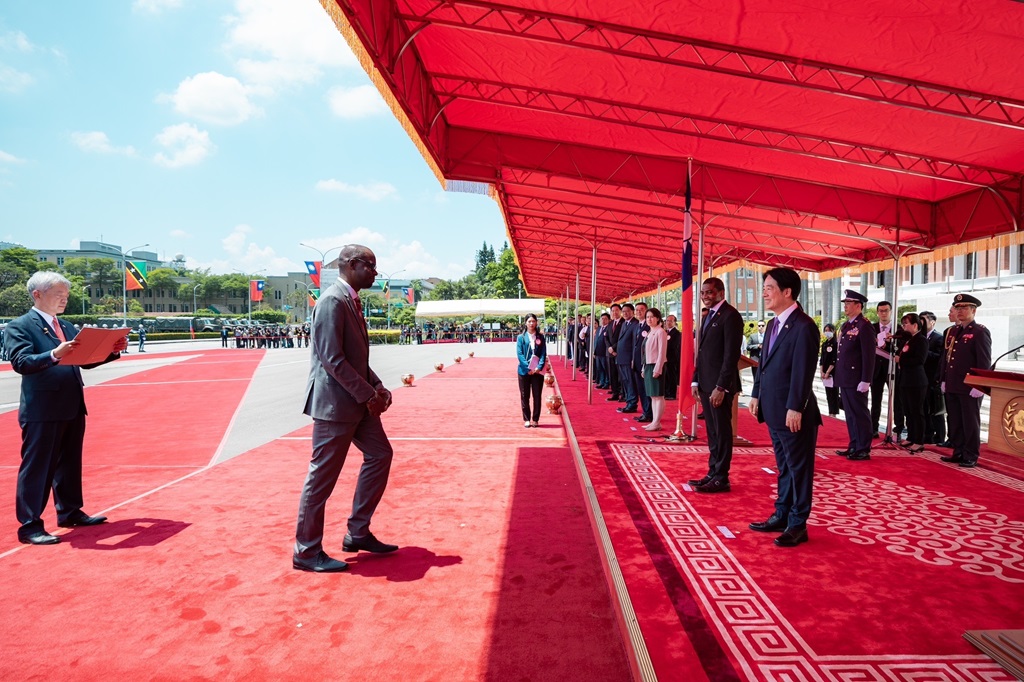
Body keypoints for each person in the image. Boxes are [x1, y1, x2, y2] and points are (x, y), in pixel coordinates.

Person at [294, 245, 397, 574]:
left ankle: (358, 532)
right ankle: (306, 551)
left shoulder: (350, 300)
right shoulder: (332, 301)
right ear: (352, 264)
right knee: (321, 480)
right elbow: (332, 359)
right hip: (335, 405)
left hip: (356, 402)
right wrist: (368, 395)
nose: (375, 273)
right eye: (371, 266)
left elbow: (356, 358)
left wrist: (377, 385)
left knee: (380, 455)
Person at [5, 272, 128, 545]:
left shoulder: (67, 326)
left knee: (70, 463)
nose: (64, 299)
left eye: (66, 295)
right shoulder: (19, 326)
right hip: (42, 409)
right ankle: (29, 526)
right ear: (37, 294)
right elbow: (21, 362)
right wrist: (53, 354)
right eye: (59, 294)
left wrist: (111, 350)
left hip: (72, 404)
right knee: (37, 468)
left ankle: (70, 512)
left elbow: (84, 360)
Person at [747, 268, 821, 547]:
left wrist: (795, 407)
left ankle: (798, 523)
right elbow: (763, 366)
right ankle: (782, 514)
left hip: (793, 413)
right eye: (764, 287)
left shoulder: (804, 326)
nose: (764, 293)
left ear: (787, 292)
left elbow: (803, 372)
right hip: (773, 409)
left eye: (769, 288)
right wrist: (756, 394)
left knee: (799, 469)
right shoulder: (773, 324)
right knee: (784, 467)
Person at [687, 278, 743, 493]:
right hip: (705, 383)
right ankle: (712, 472)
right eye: (703, 293)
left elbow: (731, 356)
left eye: (709, 292)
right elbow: (701, 353)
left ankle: (721, 477)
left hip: (719, 386)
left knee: (722, 431)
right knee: (712, 432)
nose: (705, 296)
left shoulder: (731, 316)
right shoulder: (708, 315)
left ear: (721, 292)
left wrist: (721, 387)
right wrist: (696, 379)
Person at [939, 294, 991, 468]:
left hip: (969, 386)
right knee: (955, 421)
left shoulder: (979, 331)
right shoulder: (954, 331)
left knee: (970, 422)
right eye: (958, 307)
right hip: (953, 383)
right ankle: (958, 451)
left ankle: (970, 454)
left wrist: (980, 384)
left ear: (973, 311)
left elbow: (984, 361)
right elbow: (947, 358)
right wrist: (944, 379)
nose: (960, 311)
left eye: (964, 308)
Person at [834, 290, 876, 461]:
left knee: (859, 413)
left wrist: (866, 379)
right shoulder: (847, 325)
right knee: (850, 414)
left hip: (857, 378)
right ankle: (854, 444)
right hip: (845, 377)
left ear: (858, 305)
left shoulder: (864, 326)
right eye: (845, 303)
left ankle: (863, 447)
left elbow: (869, 356)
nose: (845, 306)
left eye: (849, 303)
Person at [894, 313, 928, 452]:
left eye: (906, 324)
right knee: (908, 410)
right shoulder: (908, 340)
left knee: (916, 411)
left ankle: (919, 440)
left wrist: (900, 360)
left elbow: (920, 360)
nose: (904, 327)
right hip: (905, 379)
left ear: (915, 325)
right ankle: (911, 436)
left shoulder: (921, 340)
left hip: (916, 381)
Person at [516, 313, 548, 428]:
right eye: (529, 321)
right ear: (525, 323)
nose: (531, 323)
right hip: (524, 371)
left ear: (536, 322)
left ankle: (535, 419)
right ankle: (526, 419)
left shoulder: (540, 337)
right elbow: (519, 354)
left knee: (537, 395)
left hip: (537, 372)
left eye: (533, 321)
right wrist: (528, 368)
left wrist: (539, 367)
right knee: (525, 395)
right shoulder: (521, 337)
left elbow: (543, 353)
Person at [919, 311, 945, 444]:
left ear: (932, 322)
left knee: (935, 409)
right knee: (923, 408)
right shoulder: (919, 337)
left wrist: (924, 351)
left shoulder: (938, 338)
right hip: (921, 378)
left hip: (932, 378)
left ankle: (940, 437)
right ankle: (927, 434)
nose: (921, 323)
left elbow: (939, 357)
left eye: (924, 320)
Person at [642, 307, 668, 430]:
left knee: (658, 396)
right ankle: (654, 421)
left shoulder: (660, 332)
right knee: (653, 396)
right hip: (648, 365)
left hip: (656, 365)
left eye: (652, 317)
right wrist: (643, 368)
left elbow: (662, 353)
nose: (649, 319)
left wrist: (658, 368)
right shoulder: (650, 332)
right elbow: (645, 353)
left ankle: (657, 422)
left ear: (658, 318)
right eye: (647, 317)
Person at [871, 301, 894, 438]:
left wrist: (892, 342)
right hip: (876, 369)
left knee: (896, 401)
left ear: (891, 311)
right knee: (876, 400)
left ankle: (897, 428)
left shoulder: (897, 328)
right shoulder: (872, 328)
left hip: (892, 369)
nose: (883, 313)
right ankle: (873, 427)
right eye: (881, 311)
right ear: (877, 312)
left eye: (886, 310)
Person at [615, 304, 639, 414]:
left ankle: (632, 404)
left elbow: (635, 344)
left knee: (630, 382)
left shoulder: (635, 324)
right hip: (621, 358)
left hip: (629, 359)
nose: (625, 313)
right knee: (625, 381)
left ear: (632, 312)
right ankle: (628, 402)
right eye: (623, 311)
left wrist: (633, 359)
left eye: (627, 311)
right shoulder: (624, 323)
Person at [632, 301, 652, 423]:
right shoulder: (637, 326)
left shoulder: (649, 326)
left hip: (646, 363)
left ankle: (649, 413)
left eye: (641, 309)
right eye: (637, 310)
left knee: (646, 390)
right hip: (637, 362)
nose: (639, 312)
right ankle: (645, 412)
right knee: (641, 389)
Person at [819, 324, 840, 417]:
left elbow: (834, 359)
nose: (827, 332)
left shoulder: (835, 344)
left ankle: (833, 413)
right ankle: (830, 411)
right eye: (826, 330)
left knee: (834, 393)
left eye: (829, 330)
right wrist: (822, 371)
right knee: (828, 394)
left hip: (833, 372)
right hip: (825, 372)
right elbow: (822, 359)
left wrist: (828, 372)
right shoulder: (824, 344)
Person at [605, 304, 624, 402]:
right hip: (610, 353)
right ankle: (615, 393)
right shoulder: (610, 323)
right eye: (612, 311)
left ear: (620, 311)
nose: (614, 312)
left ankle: (623, 393)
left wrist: (614, 348)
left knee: (621, 375)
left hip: (619, 352)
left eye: (616, 310)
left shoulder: (623, 323)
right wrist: (609, 348)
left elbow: (622, 338)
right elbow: (606, 337)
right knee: (612, 374)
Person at [664, 314, 681, 400]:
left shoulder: (677, 333)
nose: (668, 322)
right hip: (665, 358)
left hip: (672, 358)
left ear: (675, 322)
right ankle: (666, 392)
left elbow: (674, 346)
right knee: (666, 376)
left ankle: (672, 393)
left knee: (672, 376)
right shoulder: (664, 332)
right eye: (667, 321)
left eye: (671, 321)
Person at [593, 312, 610, 389]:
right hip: (597, 352)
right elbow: (595, 340)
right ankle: (601, 381)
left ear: (608, 320)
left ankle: (606, 382)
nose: (603, 320)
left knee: (605, 368)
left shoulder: (608, 328)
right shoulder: (599, 328)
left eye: (605, 319)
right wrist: (594, 351)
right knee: (599, 368)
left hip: (604, 352)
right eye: (602, 319)